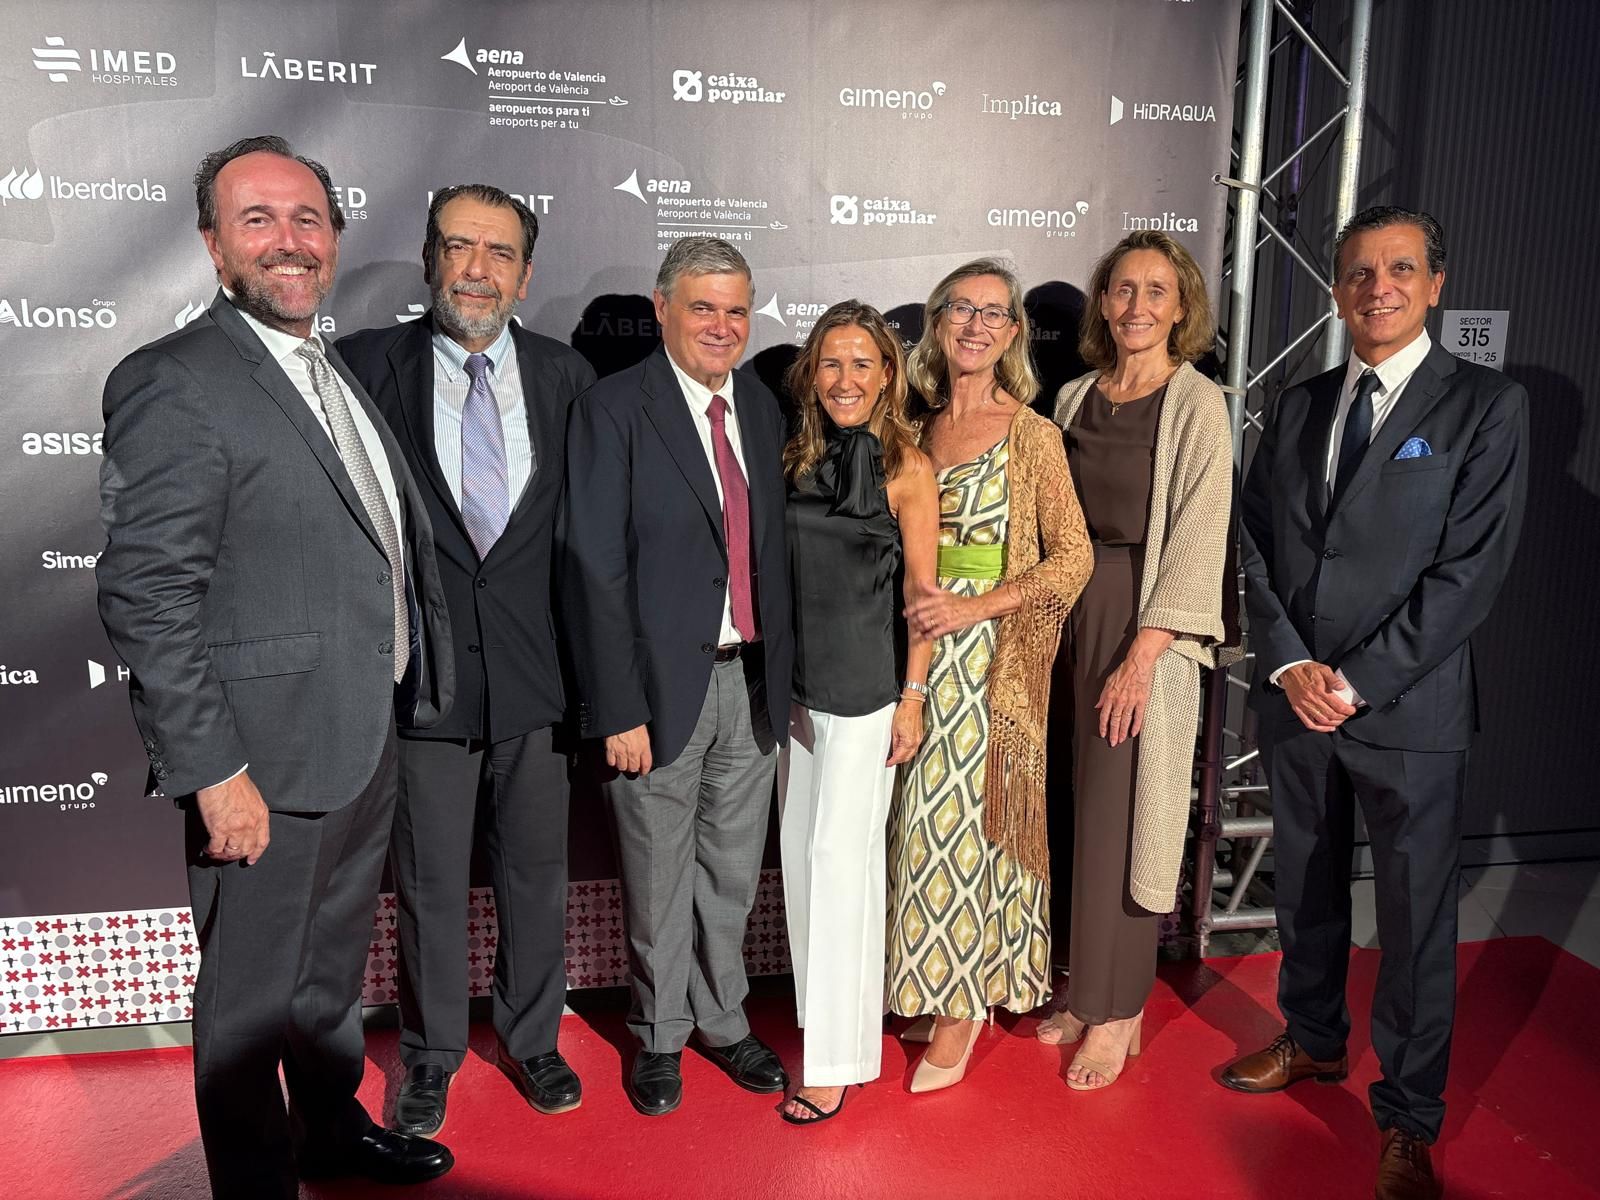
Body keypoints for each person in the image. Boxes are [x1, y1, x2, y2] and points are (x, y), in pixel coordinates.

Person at [96, 136, 456, 1198]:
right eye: (257, 220)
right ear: (213, 245)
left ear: (335, 239)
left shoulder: (324, 366)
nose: (287, 241)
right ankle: (255, 1184)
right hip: (258, 762)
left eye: (307, 219)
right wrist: (213, 771)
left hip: (357, 738)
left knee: (327, 981)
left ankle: (330, 1134)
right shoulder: (176, 381)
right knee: (252, 1004)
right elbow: (147, 592)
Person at [1229, 206, 1528, 1200]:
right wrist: (1288, 666)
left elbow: (1467, 576)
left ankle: (1407, 1118)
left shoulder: (1485, 406)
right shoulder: (1299, 401)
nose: (1379, 287)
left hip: (1408, 713)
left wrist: (1353, 680)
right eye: (1359, 271)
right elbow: (1261, 547)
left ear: (1434, 285)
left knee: (1413, 923)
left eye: (1400, 269)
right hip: (1298, 700)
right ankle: (1312, 1041)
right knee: (1304, 889)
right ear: (1335, 289)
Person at [336, 184, 597, 1138]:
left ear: (526, 275)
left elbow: (588, 546)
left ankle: (534, 1042)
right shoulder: (363, 368)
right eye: (458, 248)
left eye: (498, 253)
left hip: (538, 681)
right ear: (429, 260)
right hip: (423, 681)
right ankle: (434, 1055)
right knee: (431, 881)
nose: (477, 270)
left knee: (536, 876)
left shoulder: (569, 380)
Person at [559, 237, 794, 1116]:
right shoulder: (614, 408)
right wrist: (615, 705)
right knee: (657, 874)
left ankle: (723, 1022)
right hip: (655, 694)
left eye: (737, 309)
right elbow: (593, 566)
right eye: (703, 307)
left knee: (732, 875)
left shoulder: (764, 410)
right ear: (661, 310)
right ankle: (658, 1034)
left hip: (753, 687)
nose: (722, 326)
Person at [887, 258, 1093, 1092]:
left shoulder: (1032, 435)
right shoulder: (913, 426)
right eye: (961, 309)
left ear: (1013, 334)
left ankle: (962, 1004)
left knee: (965, 831)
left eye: (994, 313)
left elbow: (1073, 558)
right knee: (917, 825)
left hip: (990, 661)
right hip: (911, 652)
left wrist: (978, 608)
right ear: (938, 324)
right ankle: (931, 974)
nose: (976, 324)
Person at [1044, 231, 1236, 1091]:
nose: (1137, 307)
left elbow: (1200, 534)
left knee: (1126, 818)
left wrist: (1143, 655)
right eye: (1123, 290)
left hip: (1142, 619)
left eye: (1156, 291)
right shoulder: (1076, 394)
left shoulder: (1197, 402)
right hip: (1068, 610)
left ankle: (1120, 1011)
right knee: (1075, 809)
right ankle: (1085, 991)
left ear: (1182, 307)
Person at [776, 301, 938, 1124]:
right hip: (796, 698)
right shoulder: (792, 456)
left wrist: (913, 696)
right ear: (813, 373)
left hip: (870, 694)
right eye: (831, 363)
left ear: (887, 375)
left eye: (862, 364)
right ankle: (826, 1022)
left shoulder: (910, 468)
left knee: (842, 864)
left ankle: (836, 1061)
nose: (845, 379)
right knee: (805, 866)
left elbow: (922, 596)